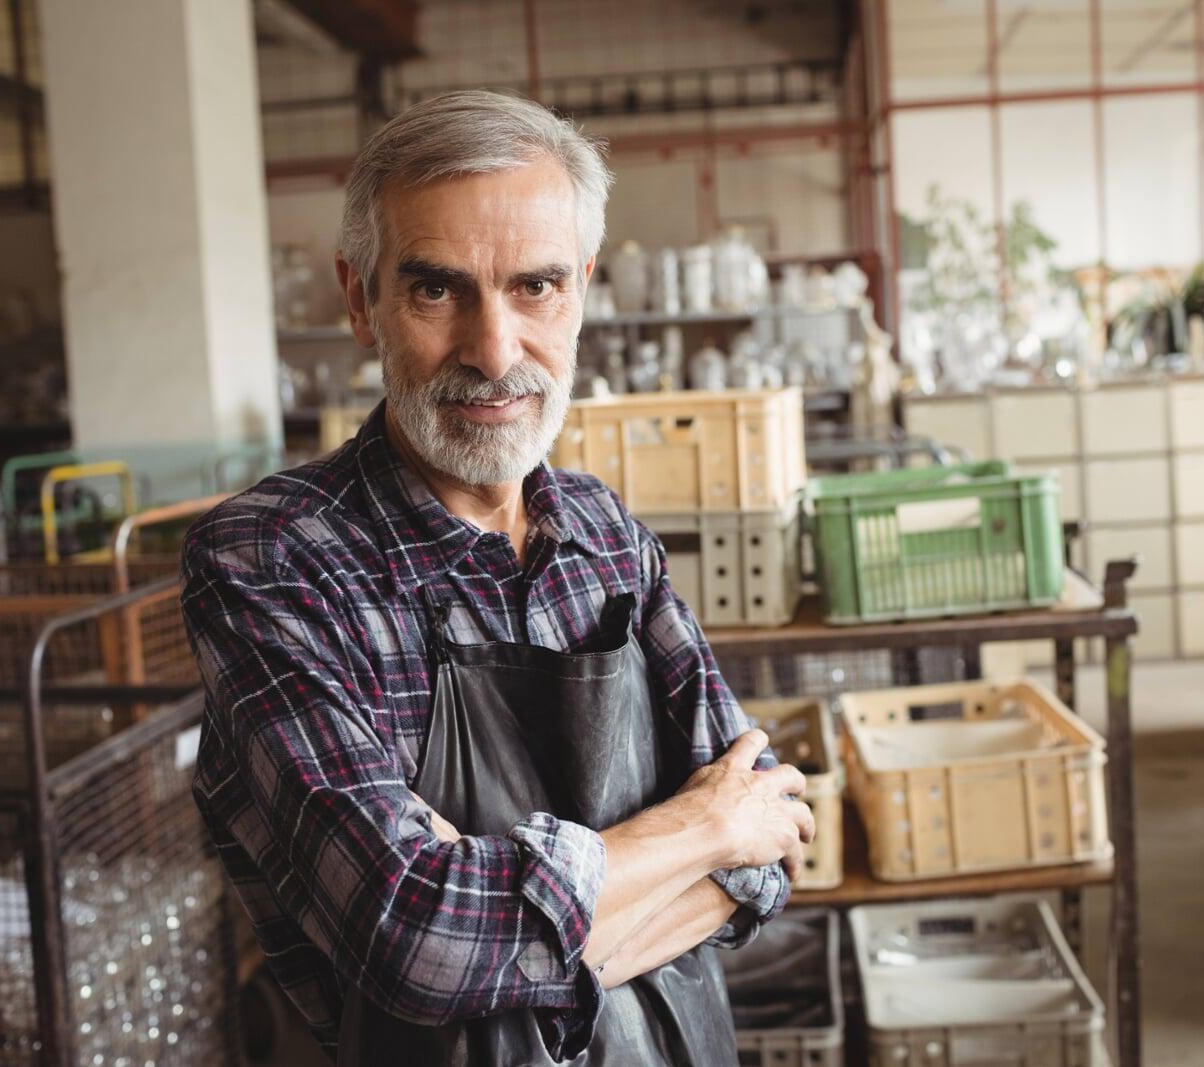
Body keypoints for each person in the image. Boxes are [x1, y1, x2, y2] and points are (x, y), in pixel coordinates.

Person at [181, 89, 814, 1066]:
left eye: (534, 287)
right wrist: (697, 825)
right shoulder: (275, 561)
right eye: (437, 290)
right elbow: (416, 931)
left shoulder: (604, 535)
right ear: (362, 300)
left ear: (582, 289)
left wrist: (505, 953)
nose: (492, 350)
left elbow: (772, 839)